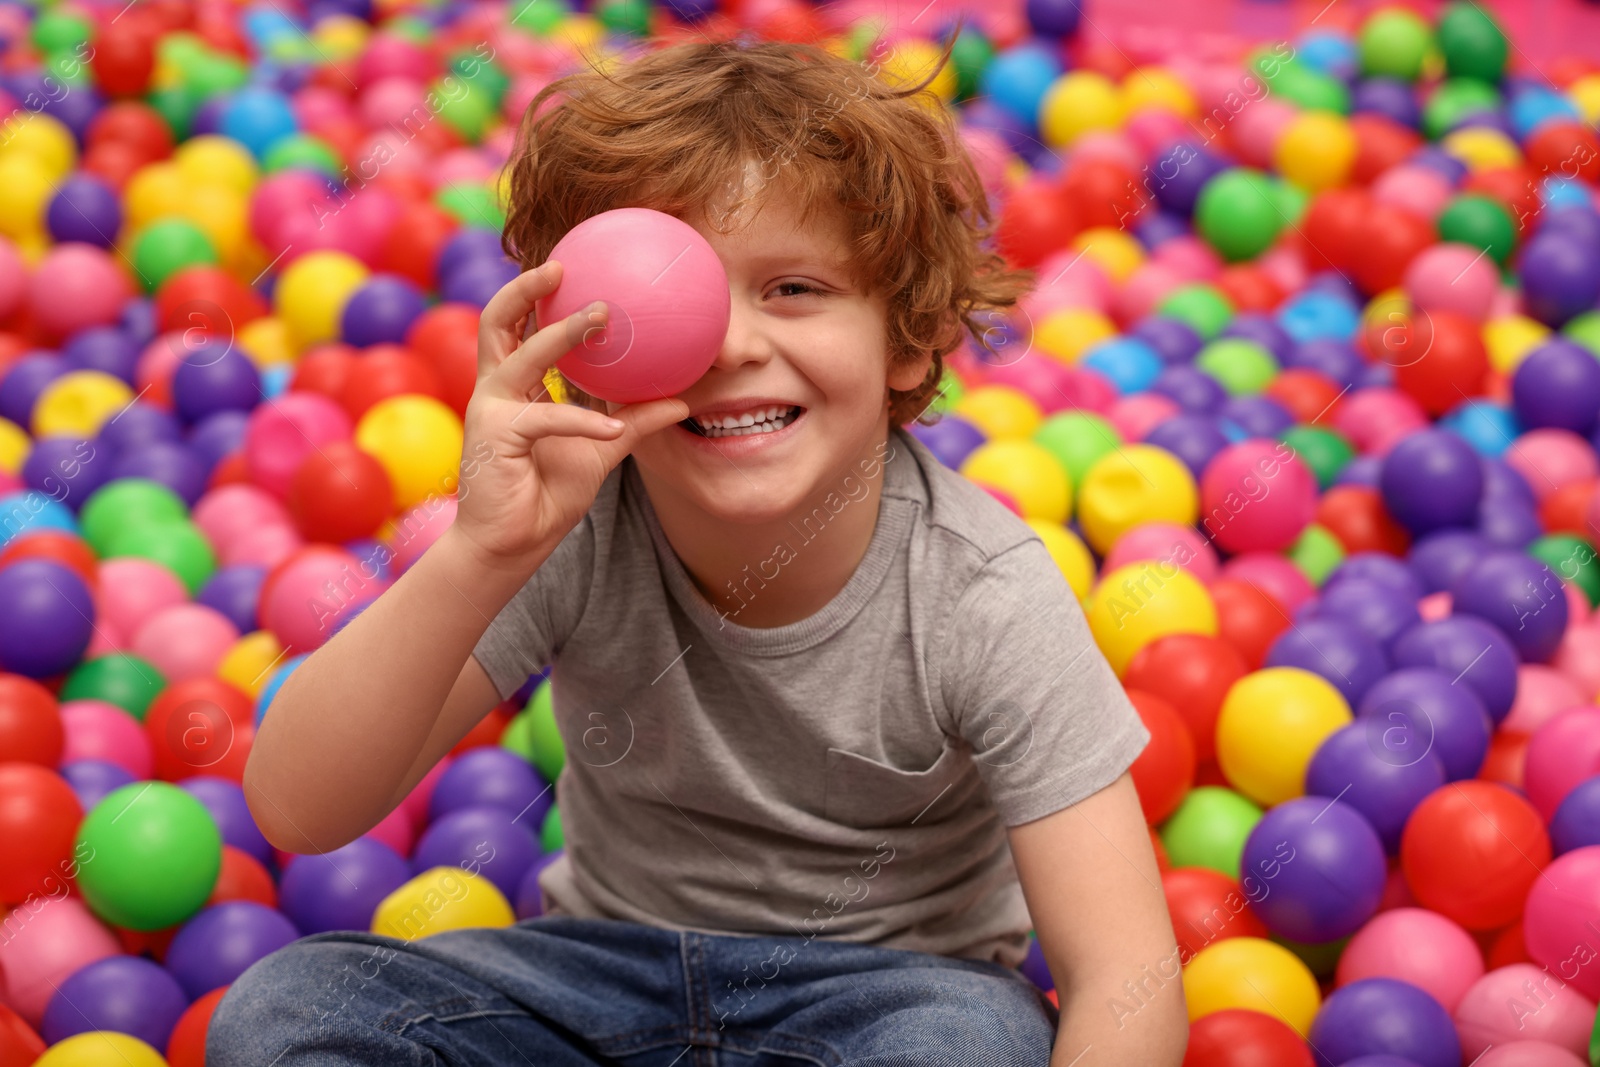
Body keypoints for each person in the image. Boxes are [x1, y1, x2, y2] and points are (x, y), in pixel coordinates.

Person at [210, 31, 1187, 1067]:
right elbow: (297, 805)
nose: (727, 345)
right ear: (585, 350)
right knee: (284, 1009)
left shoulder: (979, 592)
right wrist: (478, 554)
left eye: (794, 289)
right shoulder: (572, 523)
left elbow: (1123, 975)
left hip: (882, 1003)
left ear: (905, 339)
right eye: (672, 302)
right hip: (596, 984)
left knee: (972, 1039)